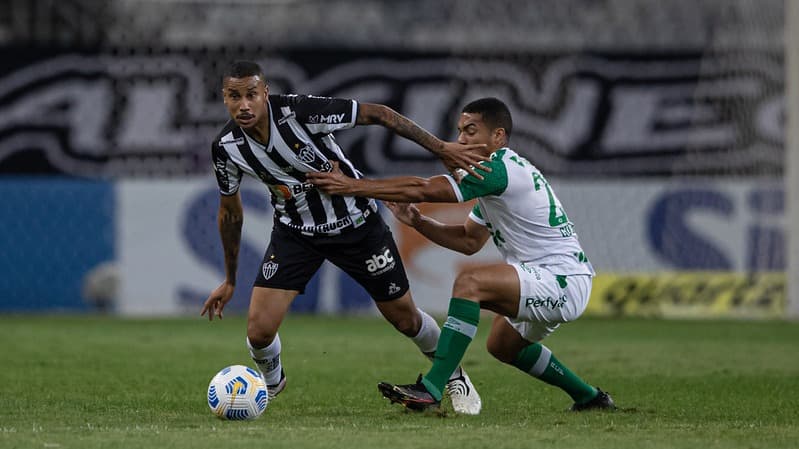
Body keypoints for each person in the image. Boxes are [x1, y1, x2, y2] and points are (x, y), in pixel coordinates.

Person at [200, 60, 486, 414]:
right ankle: (270, 384)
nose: (243, 104)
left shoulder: (299, 113)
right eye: (233, 96)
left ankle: (454, 374)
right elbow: (230, 211)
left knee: (406, 319)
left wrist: (441, 148)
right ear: (224, 99)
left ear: (265, 94)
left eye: (251, 95)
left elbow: (379, 113)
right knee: (258, 331)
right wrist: (229, 280)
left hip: (356, 225)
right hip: (296, 233)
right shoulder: (226, 147)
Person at [307, 97, 616, 412]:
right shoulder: (498, 179)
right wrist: (418, 221)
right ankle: (590, 398)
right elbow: (469, 241)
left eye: (471, 131)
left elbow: (425, 189)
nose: (461, 140)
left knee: (470, 283)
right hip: (550, 278)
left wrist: (352, 186)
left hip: (562, 280)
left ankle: (431, 387)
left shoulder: (498, 169)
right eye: (460, 132)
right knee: (502, 346)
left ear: (497, 137)